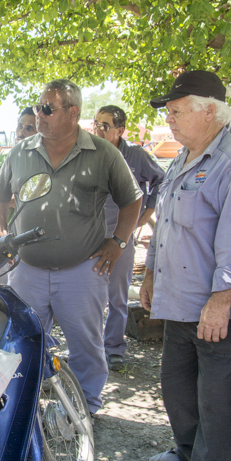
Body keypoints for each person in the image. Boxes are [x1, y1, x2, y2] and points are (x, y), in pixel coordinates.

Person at [139, 70, 231, 461]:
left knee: (218, 400)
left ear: (210, 112)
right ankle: (187, 451)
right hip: (182, 302)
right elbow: (166, 226)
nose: (169, 119)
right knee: (177, 388)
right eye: (169, 112)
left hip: (223, 311)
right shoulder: (183, 157)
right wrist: (150, 274)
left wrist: (221, 300)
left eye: (177, 111)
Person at [0, 79, 143, 415]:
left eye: (47, 108)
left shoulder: (104, 153)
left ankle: (86, 408)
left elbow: (132, 200)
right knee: (22, 342)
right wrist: (1, 236)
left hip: (82, 272)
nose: (39, 115)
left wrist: (118, 242)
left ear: (73, 112)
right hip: (27, 271)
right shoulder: (20, 152)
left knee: (86, 345)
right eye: (38, 107)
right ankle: (23, 409)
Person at [93, 105, 165, 370]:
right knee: (88, 295)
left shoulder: (135, 156)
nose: (98, 130)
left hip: (120, 238)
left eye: (104, 126)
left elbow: (161, 181)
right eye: (95, 123)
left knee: (117, 296)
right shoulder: (87, 153)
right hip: (90, 238)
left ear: (120, 130)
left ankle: (114, 349)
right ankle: (91, 348)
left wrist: (144, 217)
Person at [0, 107, 36, 211]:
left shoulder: (46, 162)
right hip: (9, 222)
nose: (21, 132)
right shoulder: (0, 162)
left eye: (29, 128)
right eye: (19, 126)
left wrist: (6, 197)